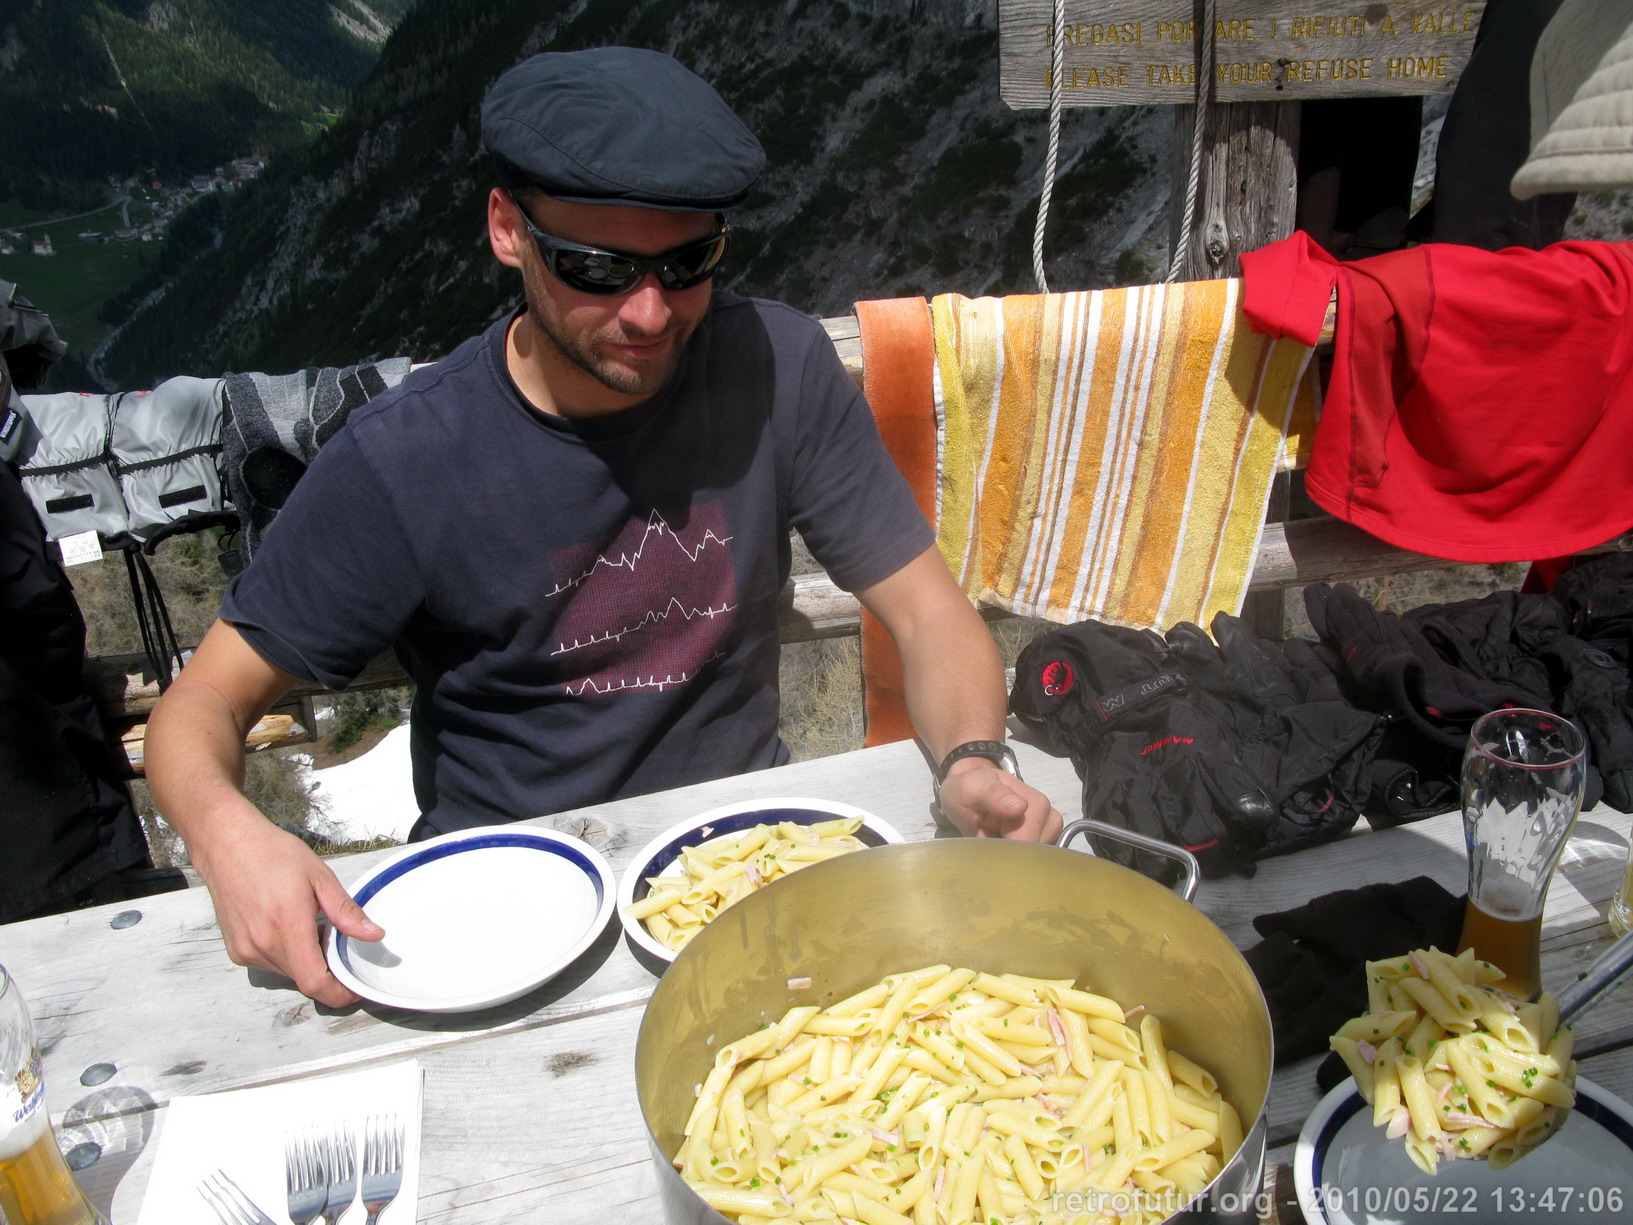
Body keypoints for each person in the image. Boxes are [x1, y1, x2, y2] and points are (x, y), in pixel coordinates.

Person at [145, 47, 1061, 1007]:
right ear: (508, 230)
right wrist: (230, 836)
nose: (650, 311)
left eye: (688, 263)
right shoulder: (404, 459)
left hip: (748, 864)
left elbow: (924, 609)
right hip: (511, 909)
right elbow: (201, 703)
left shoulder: (776, 369)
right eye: (596, 267)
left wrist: (969, 760)